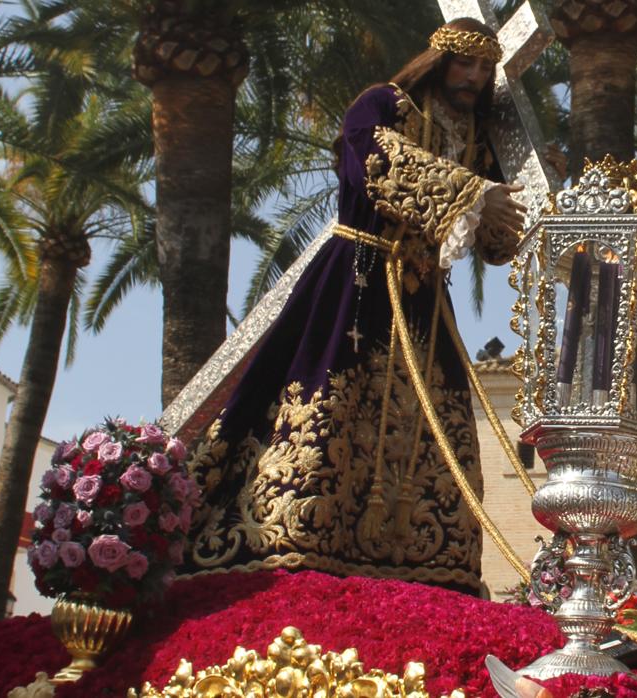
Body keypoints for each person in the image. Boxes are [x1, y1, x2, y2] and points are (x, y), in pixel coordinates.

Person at [181, 18, 525, 596]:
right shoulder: (384, 103)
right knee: (329, 404)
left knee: (437, 426)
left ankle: (421, 562)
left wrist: (512, 201)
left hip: (423, 301)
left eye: (486, 69)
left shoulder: (476, 139)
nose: (475, 76)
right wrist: (471, 194)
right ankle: (292, 543)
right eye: (466, 63)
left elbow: (494, 244)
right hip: (357, 278)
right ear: (436, 61)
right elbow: (370, 160)